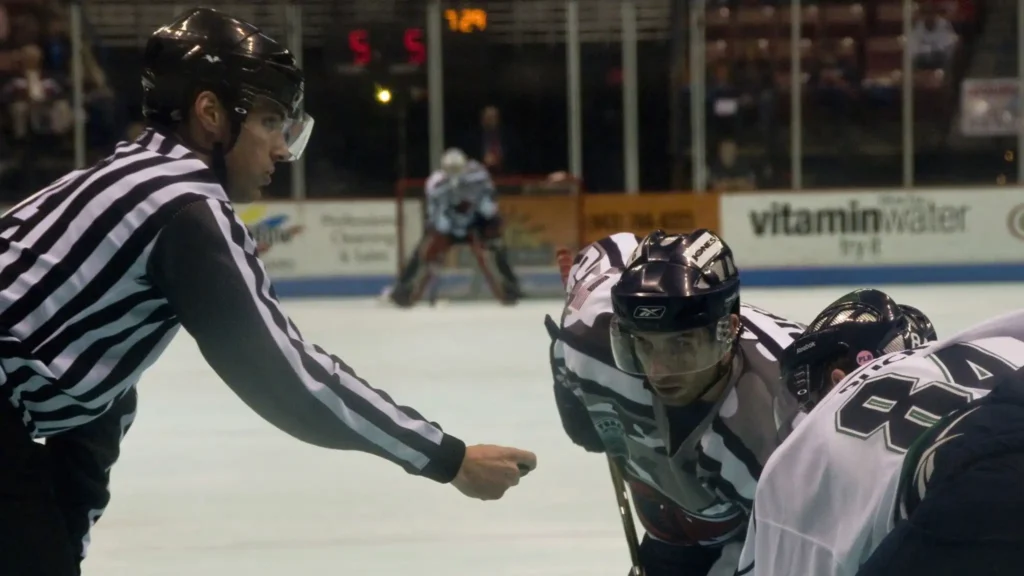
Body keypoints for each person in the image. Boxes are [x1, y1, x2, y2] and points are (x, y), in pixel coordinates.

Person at [0, 8, 535, 576]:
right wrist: (447, 458)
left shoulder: (121, 178)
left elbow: (96, 404)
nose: (282, 149)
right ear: (211, 113)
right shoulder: (186, 207)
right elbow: (286, 377)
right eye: (271, 121)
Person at [546, 229, 805, 576]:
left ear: (728, 331)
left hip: (758, 535)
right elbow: (614, 246)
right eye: (644, 345)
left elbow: (796, 550)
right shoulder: (588, 338)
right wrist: (576, 407)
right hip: (674, 524)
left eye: (681, 346)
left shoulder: (783, 420)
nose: (658, 371)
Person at [737, 289, 1024, 576]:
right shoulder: (983, 347)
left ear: (838, 381)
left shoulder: (809, 455)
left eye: (807, 396)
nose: (805, 412)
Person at [389, 147, 520, 306]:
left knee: (497, 246)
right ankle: (403, 288)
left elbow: (489, 198)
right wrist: (443, 226)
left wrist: (487, 210)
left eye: (457, 168)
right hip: (448, 226)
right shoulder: (436, 183)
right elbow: (434, 212)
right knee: (422, 251)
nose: (454, 172)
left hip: (474, 222)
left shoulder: (478, 176)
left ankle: (511, 285)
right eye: (450, 169)